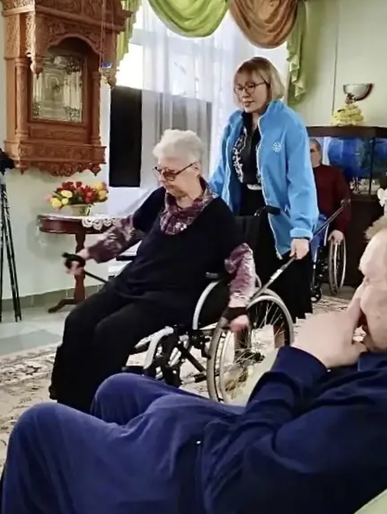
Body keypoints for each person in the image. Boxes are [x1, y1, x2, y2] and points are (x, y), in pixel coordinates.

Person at [0, 208, 387, 514]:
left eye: (367, 279)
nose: (357, 297)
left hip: (211, 480)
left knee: (42, 427)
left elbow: (236, 492)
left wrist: (300, 360)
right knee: (118, 389)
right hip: (243, 443)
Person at [49, 129, 256, 413]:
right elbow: (127, 230)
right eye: (160, 171)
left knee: (111, 332)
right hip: (132, 281)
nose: (163, 179)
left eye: (170, 173)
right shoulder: (160, 198)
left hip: (170, 294)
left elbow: (242, 260)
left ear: (195, 168)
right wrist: (86, 255)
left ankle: (96, 408)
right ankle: (67, 402)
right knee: (78, 320)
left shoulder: (217, 214)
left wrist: (238, 303)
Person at [209, 56, 317, 334]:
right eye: (239, 88)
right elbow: (223, 173)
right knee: (240, 291)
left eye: (251, 86)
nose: (244, 94)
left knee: (280, 292)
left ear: (270, 85)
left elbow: (301, 181)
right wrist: (202, 204)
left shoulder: (289, 123)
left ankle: (282, 351)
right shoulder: (235, 123)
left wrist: (301, 229)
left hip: (276, 215)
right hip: (241, 211)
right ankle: (239, 353)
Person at [309, 138, 352, 261]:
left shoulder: (332, 174)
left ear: (319, 153)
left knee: (311, 232)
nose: (308, 155)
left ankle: (308, 265)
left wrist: (339, 229)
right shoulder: (296, 174)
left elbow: (344, 201)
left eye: (311, 151)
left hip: (320, 218)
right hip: (296, 217)